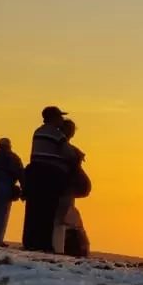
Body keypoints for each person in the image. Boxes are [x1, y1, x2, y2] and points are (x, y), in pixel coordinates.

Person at [22, 106, 74, 252]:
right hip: (49, 175)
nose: (62, 120)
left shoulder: (38, 132)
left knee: (33, 210)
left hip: (35, 173)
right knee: (47, 210)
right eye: (60, 117)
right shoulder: (56, 135)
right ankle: (43, 243)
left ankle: (29, 241)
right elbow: (68, 153)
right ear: (54, 118)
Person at [51, 120, 90, 254]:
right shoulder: (67, 148)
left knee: (60, 217)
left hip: (65, 187)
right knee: (60, 217)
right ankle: (58, 248)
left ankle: (58, 247)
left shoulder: (65, 147)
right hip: (65, 187)